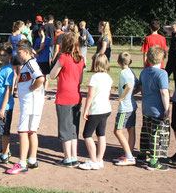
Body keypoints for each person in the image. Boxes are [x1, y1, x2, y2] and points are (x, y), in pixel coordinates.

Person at [6, 40, 45, 175]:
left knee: (23, 132)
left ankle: (22, 163)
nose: (18, 54)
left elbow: (40, 79)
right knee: (31, 132)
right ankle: (32, 160)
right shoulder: (28, 64)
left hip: (31, 105)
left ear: (27, 52)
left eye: (20, 52)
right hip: (30, 104)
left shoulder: (31, 64)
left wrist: (31, 89)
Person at [50, 32, 84, 167]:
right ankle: (74, 156)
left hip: (64, 95)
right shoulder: (81, 59)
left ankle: (67, 158)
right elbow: (80, 80)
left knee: (64, 127)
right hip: (76, 95)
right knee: (73, 128)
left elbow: (52, 75)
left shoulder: (63, 57)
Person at [136, 46, 170, 171]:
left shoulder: (144, 72)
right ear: (162, 59)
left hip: (146, 107)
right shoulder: (162, 73)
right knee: (157, 134)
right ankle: (154, 161)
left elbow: (141, 88)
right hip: (158, 109)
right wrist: (167, 108)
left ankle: (143, 153)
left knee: (146, 130)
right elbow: (164, 92)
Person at [79, 54, 112, 170]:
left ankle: (93, 160)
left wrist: (86, 109)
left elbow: (90, 95)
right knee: (101, 134)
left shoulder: (95, 77)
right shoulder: (108, 77)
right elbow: (108, 94)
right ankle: (99, 159)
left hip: (96, 109)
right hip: (106, 108)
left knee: (87, 135)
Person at [113, 52, 138, 166]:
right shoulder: (131, 72)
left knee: (118, 131)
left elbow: (128, 86)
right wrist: (132, 94)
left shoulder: (123, 73)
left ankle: (129, 156)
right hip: (132, 106)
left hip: (125, 108)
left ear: (118, 62)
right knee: (131, 130)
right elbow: (136, 85)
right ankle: (129, 153)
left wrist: (122, 97)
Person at [0, 43, 14, 164]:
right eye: (0, 55)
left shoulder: (9, 70)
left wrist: (2, 108)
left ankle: (5, 155)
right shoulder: (3, 68)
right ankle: (6, 150)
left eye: (5, 55)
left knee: (4, 132)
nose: (2, 57)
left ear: (10, 55)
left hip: (5, 106)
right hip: (1, 105)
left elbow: (8, 90)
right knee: (2, 131)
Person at [8, 20, 26, 97]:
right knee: (19, 74)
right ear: (19, 27)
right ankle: (17, 91)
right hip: (19, 56)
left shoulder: (11, 36)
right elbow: (27, 45)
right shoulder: (22, 36)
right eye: (23, 27)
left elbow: (8, 46)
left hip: (13, 56)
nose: (24, 28)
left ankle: (11, 91)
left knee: (14, 74)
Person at [163, 21, 176, 85]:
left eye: (173, 27)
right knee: (166, 72)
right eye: (172, 27)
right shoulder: (173, 33)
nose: (172, 28)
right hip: (171, 55)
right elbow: (164, 27)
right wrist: (172, 27)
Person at [34, 26, 51, 91]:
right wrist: (37, 51)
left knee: (45, 76)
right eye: (39, 32)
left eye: (41, 32)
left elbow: (42, 46)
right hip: (38, 60)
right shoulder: (37, 39)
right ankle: (39, 89)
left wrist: (43, 37)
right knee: (38, 76)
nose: (40, 34)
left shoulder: (48, 39)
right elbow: (35, 50)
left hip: (45, 60)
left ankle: (45, 90)